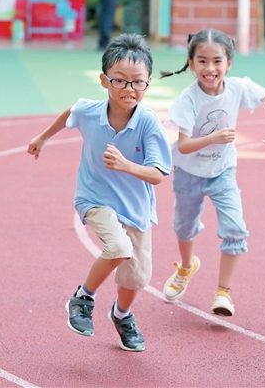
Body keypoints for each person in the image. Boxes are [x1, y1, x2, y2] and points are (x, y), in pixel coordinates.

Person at [27, 33, 171, 352]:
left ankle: (122, 315)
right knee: (118, 246)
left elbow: (158, 174)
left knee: (136, 278)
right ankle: (83, 297)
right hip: (94, 199)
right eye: (120, 81)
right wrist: (43, 136)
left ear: (148, 84)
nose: (129, 89)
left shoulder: (148, 123)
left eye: (138, 82)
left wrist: (125, 165)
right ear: (104, 80)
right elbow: (71, 113)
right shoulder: (90, 111)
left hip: (135, 209)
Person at [159, 29, 265, 316]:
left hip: (222, 172)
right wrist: (213, 138)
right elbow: (183, 144)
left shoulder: (238, 88)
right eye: (202, 61)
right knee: (184, 227)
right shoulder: (187, 100)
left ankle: (223, 294)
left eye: (217, 61)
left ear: (229, 64)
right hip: (187, 172)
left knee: (235, 229)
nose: (210, 68)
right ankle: (185, 266)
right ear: (191, 64)